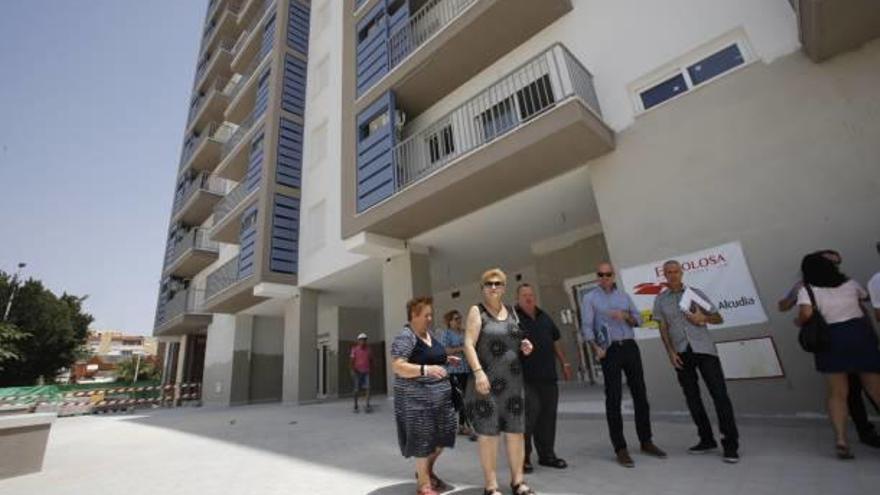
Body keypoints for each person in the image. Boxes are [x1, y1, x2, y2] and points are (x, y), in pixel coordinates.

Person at [779, 249, 880, 448]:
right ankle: (864, 432)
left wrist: (799, 321)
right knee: (875, 388)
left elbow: (803, 313)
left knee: (837, 393)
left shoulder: (807, 290)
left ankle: (841, 440)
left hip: (832, 340)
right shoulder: (850, 284)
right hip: (860, 336)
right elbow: (865, 299)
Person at [580, 262, 667, 468]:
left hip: (629, 346)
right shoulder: (590, 298)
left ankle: (646, 441)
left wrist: (625, 316)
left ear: (613, 276)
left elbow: (638, 320)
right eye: (600, 274)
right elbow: (586, 325)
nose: (604, 278)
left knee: (640, 394)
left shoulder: (624, 297)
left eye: (608, 274)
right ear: (597, 276)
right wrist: (595, 348)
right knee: (613, 398)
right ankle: (620, 448)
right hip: (609, 350)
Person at [653, 260, 740, 463]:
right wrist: (670, 352)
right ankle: (706, 439)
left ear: (681, 273)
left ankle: (730, 444)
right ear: (664, 275)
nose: (673, 275)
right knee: (692, 398)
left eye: (676, 271)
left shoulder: (696, 293)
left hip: (704, 350)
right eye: (668, 272)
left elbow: (719, 317)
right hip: (682, 352)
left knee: (719, 395)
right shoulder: (660, 300)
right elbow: (663, 328)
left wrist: (704, 319)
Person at [464, 269, 536, 495]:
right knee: (489, 435)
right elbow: (468, 343)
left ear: (504, 287)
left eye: (497, 283)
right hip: (487, 384)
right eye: (488, 284)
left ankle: (518, 483)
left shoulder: (513, 312)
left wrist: (525, 345)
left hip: (513, 383)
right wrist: (478, 372)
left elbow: (515, 338)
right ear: (483, 288)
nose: (493, 287)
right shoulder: (478, 311)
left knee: (516, 433)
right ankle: (491, 486)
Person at [391, 296, 460, 495]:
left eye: (431, 314)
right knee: (423, 441)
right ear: (414, 315)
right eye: (426, 315)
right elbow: (398, 366)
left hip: (441, 400)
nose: (430, 318)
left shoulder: (428, 334)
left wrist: (447, 358)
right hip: (417, 402)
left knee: (444, 437)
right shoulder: (406, 336)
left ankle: (426, 472)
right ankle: (424, 486)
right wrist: (425, 370)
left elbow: (432, 355)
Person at [515, 283, 571, 473]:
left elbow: (555, 340)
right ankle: (523, 458)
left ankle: (547, 455)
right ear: (518, 298)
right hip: (525, 378)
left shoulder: (544, 316)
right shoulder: (512, 319)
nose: (528, 298)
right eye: (524, 295)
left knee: (548, 417)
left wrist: (565, 363)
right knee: (529, 417)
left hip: (548, 376)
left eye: (531, 294)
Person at [440, 309, 478, 441]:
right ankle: (467, 427)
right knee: (459, 400)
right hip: (454, 371)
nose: (459, 320)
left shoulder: (464, 332)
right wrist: (461, 348)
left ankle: (462, 426)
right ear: (449, 321)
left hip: (466, 369)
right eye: (456, 318)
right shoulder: (446, 334)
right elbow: (445, 350)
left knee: (467, 399)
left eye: (460, 318)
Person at [350, 333, 373, 413]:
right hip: (357, 372)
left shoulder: (368, 350)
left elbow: (371, 360)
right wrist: (352, 370)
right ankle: (355, 406)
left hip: (366, 371)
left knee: (368, 388)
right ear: (358, 341)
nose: (363, 341)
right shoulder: (354, 349)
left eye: (365, 340)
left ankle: (367, 405)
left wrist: (371, 369)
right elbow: (352, 360)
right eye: (361, 340)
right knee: (356, 389)